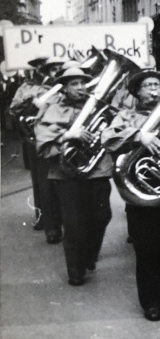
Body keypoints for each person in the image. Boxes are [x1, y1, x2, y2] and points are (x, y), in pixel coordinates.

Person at [101, 68, 160, 321]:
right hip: (139, 190)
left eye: (157, 85)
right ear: (137, 92)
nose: (153, 90)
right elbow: (107, 137)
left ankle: (156, 288)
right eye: (148, 86)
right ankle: (151, 301)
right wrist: (138, 135)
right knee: (146, 249)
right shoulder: (126, 115)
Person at [34, 67, 113, 286]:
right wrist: (68, 135)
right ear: (65, 88)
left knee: (102, 216)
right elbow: (42, 141)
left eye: (82, 83)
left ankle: (89, 254)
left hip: (97, 169)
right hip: (66, 173)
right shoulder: (53, 108)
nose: (80, 88)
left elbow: (115, 131)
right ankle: (75, 270)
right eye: (74, 84)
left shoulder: (98, 106)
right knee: (74, 223)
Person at [11, 56, 67, 243]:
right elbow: (14, 108)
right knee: (43, 183)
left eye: (58, 68)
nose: (55, 71)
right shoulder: (28, 87)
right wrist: (32, 100)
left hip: (61, 139)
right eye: (51, 68)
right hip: (38, 139)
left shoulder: (64, 86)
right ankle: (48, 223)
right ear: (41, 70)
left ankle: (64, 220)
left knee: (65, 182)